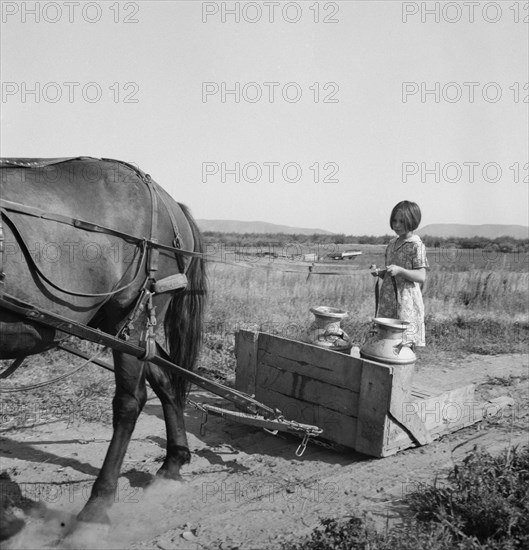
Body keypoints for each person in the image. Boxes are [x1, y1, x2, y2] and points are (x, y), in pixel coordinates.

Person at [371, 201, 429, 346]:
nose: (396, 225)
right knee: (386, 342)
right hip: (388, 301)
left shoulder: (416, 245)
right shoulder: (391, 244)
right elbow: (391, 274)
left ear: (412, 221)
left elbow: (421, 276)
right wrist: (380, 273)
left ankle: (404, 369)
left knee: (404, 343)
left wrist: (400, 271)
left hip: (406, 301)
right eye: (394, 221)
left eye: (401, 221)